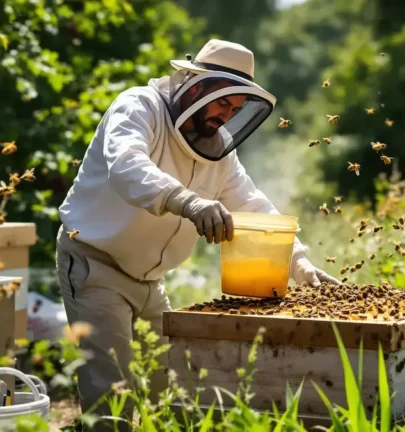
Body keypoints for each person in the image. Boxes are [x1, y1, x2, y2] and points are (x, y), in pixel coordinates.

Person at [55, 39, 339, 430]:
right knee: (111, 391)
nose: (226, 116)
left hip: (151, 280)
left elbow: (252, 204)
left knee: (174, 385)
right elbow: (126, 163)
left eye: (236, 110)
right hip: (95, 263)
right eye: (223, 103)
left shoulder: (218, 152)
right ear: (197, 87)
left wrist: (300, 262)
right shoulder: (139, 107)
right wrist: (186, 202)